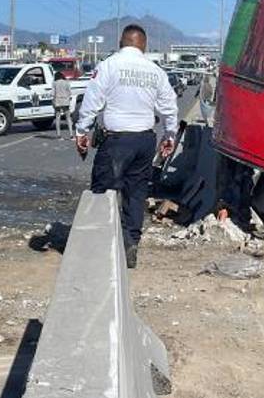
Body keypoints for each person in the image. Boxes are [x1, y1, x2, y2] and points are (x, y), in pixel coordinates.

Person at [76, 24, 178, 268]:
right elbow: (169, 106)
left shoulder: (109, 65)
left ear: (121, 43)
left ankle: (101, 246)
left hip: (116, 141)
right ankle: (130, 243)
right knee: (136, 194)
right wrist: (170, 136)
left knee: (103, 191)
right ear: (144, 45)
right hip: (144, 141)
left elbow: (92, 100)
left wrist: (82, 131)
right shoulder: (155, 71)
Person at [52, 72, 74, 140]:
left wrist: (53, 102)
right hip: (65, 101)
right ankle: (71, 135)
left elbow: (53, 94)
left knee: (57, 118)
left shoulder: (54, 83)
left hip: (57, 101)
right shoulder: (66, 82)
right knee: (68, 118)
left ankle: (59, 135)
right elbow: (70, 93)